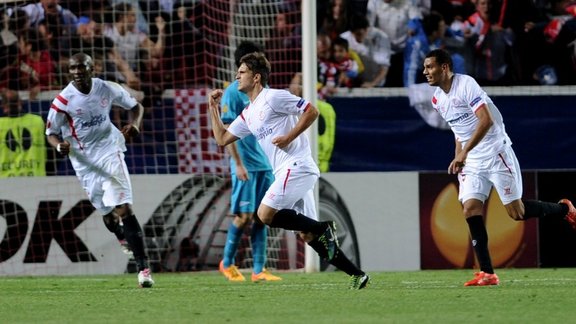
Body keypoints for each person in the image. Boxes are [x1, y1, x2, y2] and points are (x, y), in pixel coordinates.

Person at [208, 52, 369, 289]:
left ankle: (324, 227)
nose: (236, 76)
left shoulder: (274, 97)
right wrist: (212, 107)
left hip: (297, 166)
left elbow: (311, 111)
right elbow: (222, 138)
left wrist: (288, 137)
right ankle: (357, 274)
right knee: (307, 234)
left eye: (242, 72)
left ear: (256, 77)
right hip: (288, 171)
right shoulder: (248, 113)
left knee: (264, 215)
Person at [422, 48, 576, 286]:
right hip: (472, 161)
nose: (425, 72)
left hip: (496, 152)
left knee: (517, 213)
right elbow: (458, 132)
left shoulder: (465, 85)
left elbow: (486, 120)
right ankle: (487, 273)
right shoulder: (437, 99)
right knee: (470, 208)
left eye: (430, 67)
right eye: (424, 68)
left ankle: (564, 210)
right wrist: (459, 156)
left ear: (444, 67)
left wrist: (464, 152)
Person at [45, 52, 154, 288]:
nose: (76, 72)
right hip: (84, 163)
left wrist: (134, 124)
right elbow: (50, 133)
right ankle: (120, 235)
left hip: (110, 151)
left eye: (81, 68)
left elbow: (137, 107)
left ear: (91, 68)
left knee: (124, 207)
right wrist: (59, 146)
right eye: (72, 68)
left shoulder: (106, 88)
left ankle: (143, 269)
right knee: (108, 214)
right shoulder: (63, 101)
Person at [218, 41, 282, 282]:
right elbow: (226, 129)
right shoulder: (233, 92)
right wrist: (237, 163)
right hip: (245, 165)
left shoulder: (264, 91)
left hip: (265, 164)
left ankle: (258, 270)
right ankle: (227, 263)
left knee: (261, 216)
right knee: (243, 216)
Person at [0, 89, 47, 177]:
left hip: (5, 180)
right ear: (20, 102)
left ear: (4, 106)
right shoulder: (37, 121)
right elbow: (53, 150)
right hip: (36, 177)